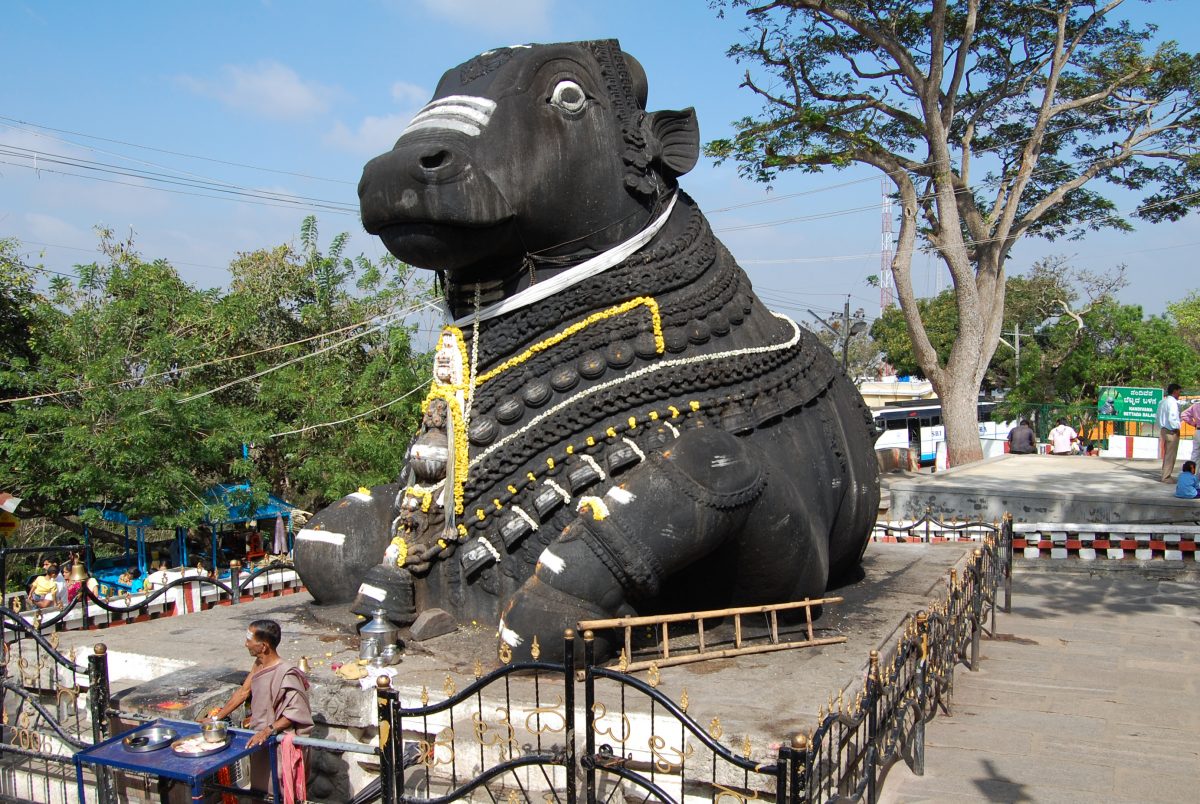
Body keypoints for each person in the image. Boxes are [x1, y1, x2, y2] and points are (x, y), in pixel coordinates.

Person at [207, 619, 313, 793]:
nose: (246, 644)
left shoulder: (287, 673)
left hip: (277, 739)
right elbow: (243, 692)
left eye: (250, 640)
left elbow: (295, 713)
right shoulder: (258, 664)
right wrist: (215, 719)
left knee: (277, 791)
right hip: (258, 738)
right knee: (260, 790)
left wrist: (268, 731)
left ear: (263, 646)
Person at [1157, 383, 1183, 482]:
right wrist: (1176, 428)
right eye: (1179, 391)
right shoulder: (1172, 403)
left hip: (1164, 429)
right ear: (1175, 391)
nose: (1179, 394)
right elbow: (1172, 417)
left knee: (1167, 453)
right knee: (1170, 455)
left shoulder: (1162, 402)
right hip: (1171, 430)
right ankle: (1166, 477)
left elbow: (1158, 416)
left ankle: (1165, 474)